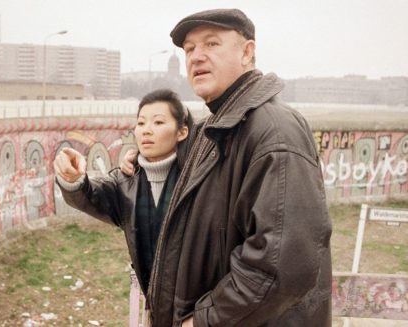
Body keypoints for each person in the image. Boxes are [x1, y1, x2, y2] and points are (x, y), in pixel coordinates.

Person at [122, 8, 332, 327]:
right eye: (190, 49)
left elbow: (282, 265)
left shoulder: (274, 132)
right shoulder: (213, 129)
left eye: (212, 44)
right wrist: (140, 160)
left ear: (247, 53)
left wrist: (204, 320)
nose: (196, 57)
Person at [53, 89, 193, 309]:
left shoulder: (199, 177)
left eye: (158, 123)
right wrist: (73, 179)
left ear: (182, 132)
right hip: (155, 306)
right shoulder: (126, 181)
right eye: (141, 123)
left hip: (200, 309)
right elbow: (90, 195)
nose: (147, 130)